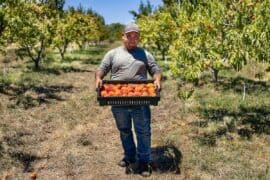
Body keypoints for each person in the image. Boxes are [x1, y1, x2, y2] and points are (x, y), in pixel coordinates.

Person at [95, 23, 161, 177]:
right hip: (118, 99)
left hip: (141, 99)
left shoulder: (145, 54)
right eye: (129, 35)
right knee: (124, 130)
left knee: (143, 131)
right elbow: (102, 69)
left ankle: (144, 161)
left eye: (136, 36)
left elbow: (155, 70)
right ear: (123, 36)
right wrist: (98, 78)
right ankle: (130, 156)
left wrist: (157, 80)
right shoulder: (112, 54)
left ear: (138, 38)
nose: (132, 38)